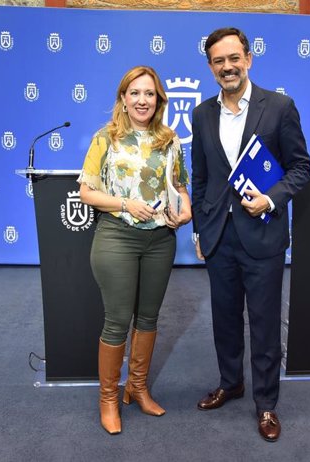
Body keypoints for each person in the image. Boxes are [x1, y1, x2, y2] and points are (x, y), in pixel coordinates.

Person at [190, 27, 310, 442]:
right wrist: (199, 230)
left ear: (249, 59)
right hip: (219, 236)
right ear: (210, 67)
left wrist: (271, 200)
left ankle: (266, 405)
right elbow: (201, 178)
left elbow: (300, 167)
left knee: (263, 325)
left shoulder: (279, 107)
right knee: (224, 319)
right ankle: (231, 382)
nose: (228, 67)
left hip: (263, 234)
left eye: (234, 58)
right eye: (219, 61)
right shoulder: (201, 113)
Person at [79, 65, 192, 435]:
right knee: (117, 320)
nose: (143, 99)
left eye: (149, 93)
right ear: (123, 100)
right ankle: (108, 399)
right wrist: (126, 205)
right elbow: (87, 192)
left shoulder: (170, 140)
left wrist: (186, 209)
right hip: (117, 235)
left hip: (160, 238)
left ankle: (137, 388)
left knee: (149, 318)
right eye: (135, 93)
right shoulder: (105, 138)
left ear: (159, 99)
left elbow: (178, 186)